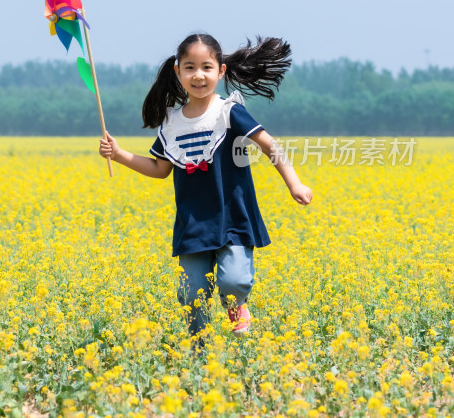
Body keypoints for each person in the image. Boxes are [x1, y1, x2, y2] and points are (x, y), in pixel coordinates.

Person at [99, 33, 312, 341]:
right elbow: (160, 169)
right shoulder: (171, 123)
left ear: (220, 71)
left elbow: (268, 145)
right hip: (193, 222)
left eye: (206, 67)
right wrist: (119, 155)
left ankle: (236, 305)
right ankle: (198, 353)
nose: (198, 75)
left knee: (235, 281)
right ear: (177, 71)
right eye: (189, 67)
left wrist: (294, 182)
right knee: (192, 295)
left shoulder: (229, 112)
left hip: (233, 216)